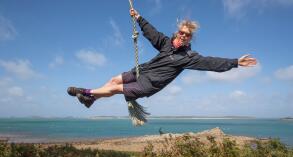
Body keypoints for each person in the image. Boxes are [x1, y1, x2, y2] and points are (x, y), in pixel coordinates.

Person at [67, 9, 257, 108]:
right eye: (182, 33)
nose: (183, 36)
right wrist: (139, 18)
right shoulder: (165, 42)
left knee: (116, 88)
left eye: (187, 35)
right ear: (178, 32)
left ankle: (87, 92)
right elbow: (152, 33)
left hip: (149, 85)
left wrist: (235, 62)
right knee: (113, 80)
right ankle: (91, 100)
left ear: (191, 38)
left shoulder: (189, 57)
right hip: (142, 71)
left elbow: (211, 63)